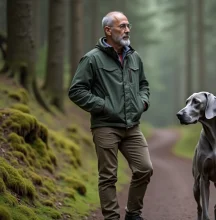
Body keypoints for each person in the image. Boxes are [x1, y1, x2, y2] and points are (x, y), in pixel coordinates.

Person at [68, 11, 153, 220]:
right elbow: (76, 91)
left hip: (132, 126)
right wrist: (103, 105)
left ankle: (133, 213)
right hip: (105, 126)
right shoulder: (91, 59)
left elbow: (144, 85)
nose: (127, 30)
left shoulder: (134, 56)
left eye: (127, 26)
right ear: (108, 30)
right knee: (108, 177)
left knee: (144, 169)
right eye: (122, 26)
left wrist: (142, 102)